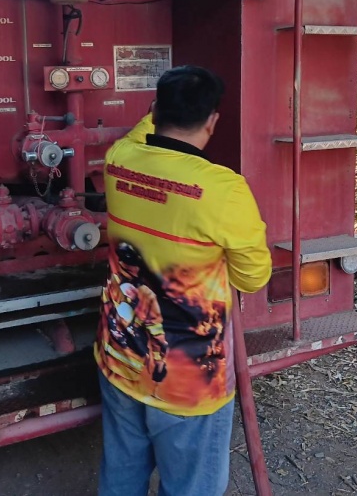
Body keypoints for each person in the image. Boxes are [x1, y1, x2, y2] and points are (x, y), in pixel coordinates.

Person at [95, 65, 272, 496]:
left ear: (156, 111)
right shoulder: (224, 190)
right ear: (213, 120)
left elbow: (140, 133)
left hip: (120, 360)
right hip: (190, 383)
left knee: (120, 478)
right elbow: (252, 278)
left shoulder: (118, 160)